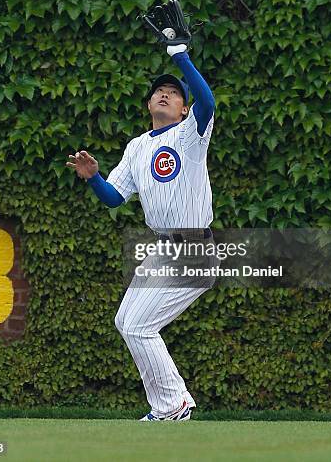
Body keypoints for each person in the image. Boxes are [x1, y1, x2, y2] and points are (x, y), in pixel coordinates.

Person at [66, 37, 215, 421]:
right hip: (165, 249)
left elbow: (209, 103)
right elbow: (115, 198)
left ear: (184, 109)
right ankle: (172, 403)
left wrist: (179, 56)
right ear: (148, 104)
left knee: (138, 325)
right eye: (159, 92)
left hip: (194, 246)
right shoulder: (135, 148)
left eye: (173, 93)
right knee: (128, 323)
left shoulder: (190, 135)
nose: (165, 95)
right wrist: (94, 178)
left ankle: (172, 405)